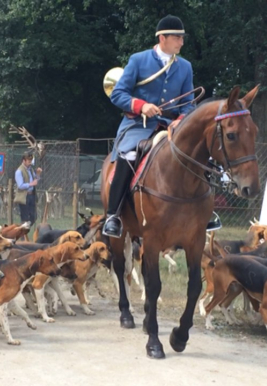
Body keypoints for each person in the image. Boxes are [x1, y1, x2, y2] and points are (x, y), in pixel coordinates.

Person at [102, 15, 198, 238]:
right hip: (138, 125)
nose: (181, 43)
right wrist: (141, 106)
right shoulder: (138, 60)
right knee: (129, 155)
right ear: (162, 38)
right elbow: (117, 94)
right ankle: (113, 215)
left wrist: (180, 120)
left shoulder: (185, 67)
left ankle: (203, 212)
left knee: (198, 154)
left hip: (171, 127)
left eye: (182, 38)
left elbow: (189, 104)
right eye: (177, 38)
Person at [13, 152, 42, 225]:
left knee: (33, 216)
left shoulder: (31, 169)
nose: (30, 163)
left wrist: (38, 174)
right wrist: (30, 184)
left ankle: (24, 229)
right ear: (24, 161)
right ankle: (22, 234)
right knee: (25, 218)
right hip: (23, 197)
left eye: (31, 160)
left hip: (32, 196)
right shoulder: (19, 171)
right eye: (28, 161)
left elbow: (35, 180)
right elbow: (20, 185)